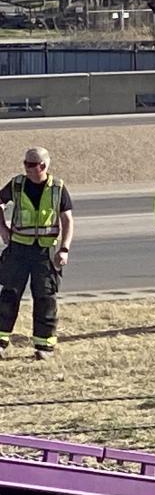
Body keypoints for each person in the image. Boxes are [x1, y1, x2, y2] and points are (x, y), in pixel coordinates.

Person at [0, 147, 74, 359]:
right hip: (18, 250)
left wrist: (64, 249)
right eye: (25, 164)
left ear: (43, 166)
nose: (27, 168)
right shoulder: (16, 184)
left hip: (44, 251)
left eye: (31, 164)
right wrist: (3, 229)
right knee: (8, 295)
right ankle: (1, 341)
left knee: (45, 297)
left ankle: (44, 346)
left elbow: (67, 220)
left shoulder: (58, 188)